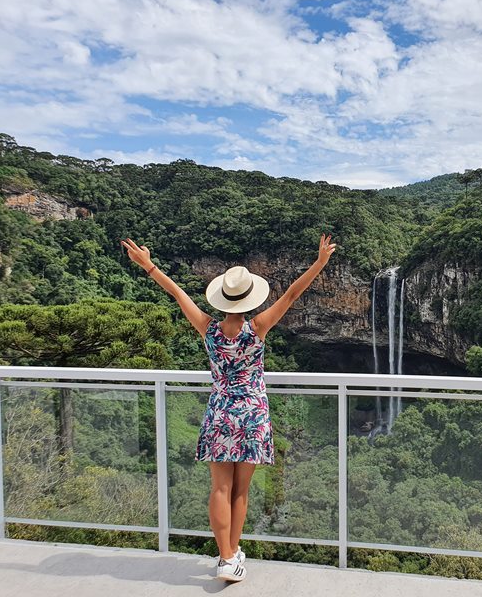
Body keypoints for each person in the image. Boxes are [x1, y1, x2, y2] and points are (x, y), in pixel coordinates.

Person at [121, 233, 336, 582]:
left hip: (220, 412)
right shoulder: (258, 328)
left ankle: (227, 556)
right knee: (241, 491)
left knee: (219, 488)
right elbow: (292, 294)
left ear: (222, 300)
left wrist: (149, 266)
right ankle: (230, 555)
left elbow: (177, 293)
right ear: (249, 301)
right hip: (252, 414)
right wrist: (320, 263)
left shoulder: (208, 329)